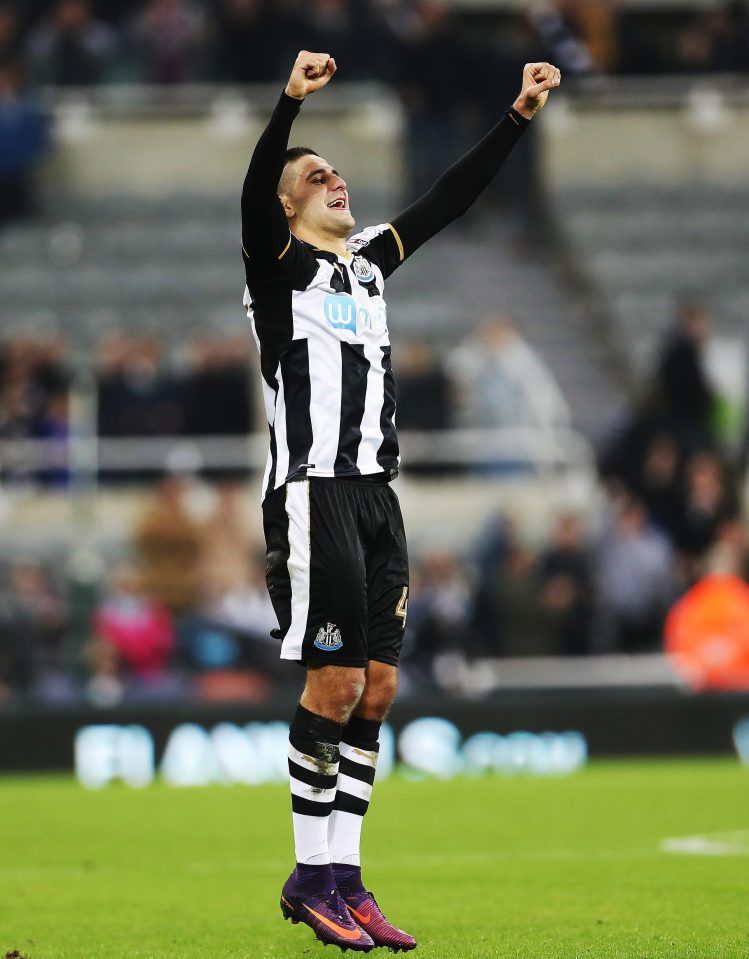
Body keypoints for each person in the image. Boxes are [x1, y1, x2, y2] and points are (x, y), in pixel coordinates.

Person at [240, 50, 560, 952]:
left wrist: (518, 115)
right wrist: (287, 105)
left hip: (379, 495)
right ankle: (310, 876)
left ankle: (346, 878)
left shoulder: (370, 265)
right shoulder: (277, 269)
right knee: (333, 680)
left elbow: (449, 200)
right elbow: (253, 189)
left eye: (337, 171)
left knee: (378, 687)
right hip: (314, 493)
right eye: (314, 175)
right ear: (285, 203)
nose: (333, 179)